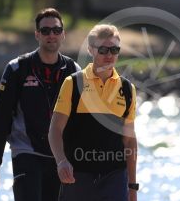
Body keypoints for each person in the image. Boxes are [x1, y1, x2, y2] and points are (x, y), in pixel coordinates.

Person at [0, 8, 80, 201]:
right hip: (26, 153)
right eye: (45, 31)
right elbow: (0, 118)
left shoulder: (73, 70)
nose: (51, 35)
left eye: (56, 30)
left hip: (60, 157)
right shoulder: (16, 69)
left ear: (63, 34)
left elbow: (81, 119)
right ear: (37, 34)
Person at [49, 24, 138, 201]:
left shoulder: (128, 89)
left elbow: (129, 141)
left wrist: (132, 186)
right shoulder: (73, 83)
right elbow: (55, 130)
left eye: (114, 49)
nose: (109, 55)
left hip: (115, 178)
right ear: (90, 50)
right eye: (103, 50)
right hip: (78, 175)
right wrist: (61, 161)